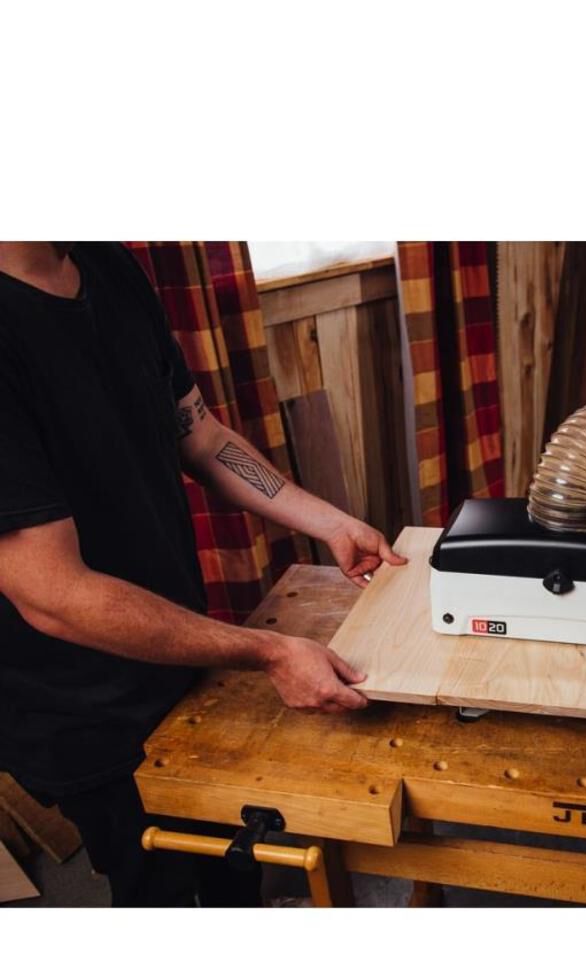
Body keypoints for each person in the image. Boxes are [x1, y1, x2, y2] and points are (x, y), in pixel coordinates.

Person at [0, 242, 406, 907]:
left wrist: (329, 521)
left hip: (175, 653)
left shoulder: (106, 263)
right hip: (78, 709)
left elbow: (201, 435)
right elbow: (54, 596)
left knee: (233, 868)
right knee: (160, 889)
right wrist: (269, 651)